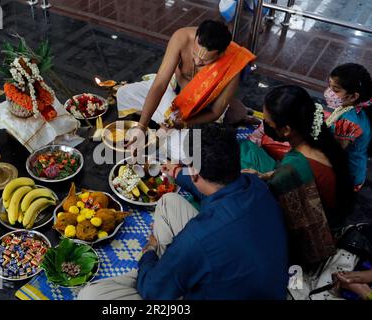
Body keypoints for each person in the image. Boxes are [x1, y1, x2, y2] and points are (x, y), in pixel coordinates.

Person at [78, 123, 289, 300]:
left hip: (204, 285)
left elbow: (152, 293)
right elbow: (212, 190)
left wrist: (149, 252)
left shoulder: (198, 236)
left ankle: (162, 270)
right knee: (169, 201)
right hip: (256, 282)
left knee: (90, 295)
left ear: (195, 170)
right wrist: (177, 172)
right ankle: (166, 269)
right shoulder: (253, 183)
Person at [240, 85, 353, 267]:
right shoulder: (322, 141)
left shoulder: (291, 171)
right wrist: (267, 175)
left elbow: (285, 219)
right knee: (247, 150)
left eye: (268, 124)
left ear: (286, 130)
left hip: (308, 243)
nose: (264, 127)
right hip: (332, 216)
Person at [118, 20, 257, 150]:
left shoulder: (232, 65)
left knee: (182, 149)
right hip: (174, 92)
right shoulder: (181, 38)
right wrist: (141, 126)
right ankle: (163, 120)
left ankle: (165, 121)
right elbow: (160, 84)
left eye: (204, 61)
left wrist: (185, 123)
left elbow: (215, 112)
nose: (197, 61)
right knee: (124, 94)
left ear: (221, 54)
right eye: (195, 54)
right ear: (196, 36)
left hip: (201, 109)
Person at [324, 63, 372, 191]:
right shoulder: (360, 105)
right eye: (330, 86)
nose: (330, 92)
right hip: (357, 165)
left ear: (354, 96)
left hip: (348, 177)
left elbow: (335, 153)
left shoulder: (348, 122)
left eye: (335, 90)